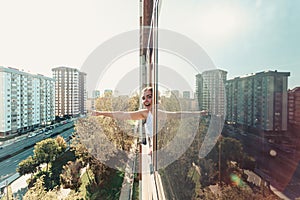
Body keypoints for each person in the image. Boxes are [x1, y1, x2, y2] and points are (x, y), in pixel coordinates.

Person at [93, 86, 207, 154]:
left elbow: (178, 115)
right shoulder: (145, 113)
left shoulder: (158, 113)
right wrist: (100, 113)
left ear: (156, 98)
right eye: (143, 97)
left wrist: (198, 113)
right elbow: (122, 115)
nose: (145, 100)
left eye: (149, 96)